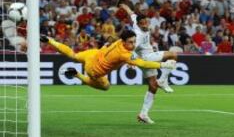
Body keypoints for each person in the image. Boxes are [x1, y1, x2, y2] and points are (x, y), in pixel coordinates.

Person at [40, 30, 176, 92]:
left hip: (94, 54)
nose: (133, 45)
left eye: (134, 41)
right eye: (130, 42)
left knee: (74, 56)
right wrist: (162, 64)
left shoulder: (119, 42)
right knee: (106, 87)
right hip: (93, 70)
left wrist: (107, 45)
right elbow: (142, 63)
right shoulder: (124, 54)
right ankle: (76, 74)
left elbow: (113, 40)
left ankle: (50, 41)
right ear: (124, 41)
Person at [120, 4, 178, 124]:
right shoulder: (139, 35)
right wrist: (130, 60)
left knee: (153, 86)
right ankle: (162, 80)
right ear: (139, 24)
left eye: (146, 22)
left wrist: (123, 5)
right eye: (143, 23)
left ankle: (143, 114)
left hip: (147, 58)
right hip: (147, 58)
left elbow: (130, 12)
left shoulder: (136, 21)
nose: (146, 24)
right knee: (173, 55)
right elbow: (131, 48)